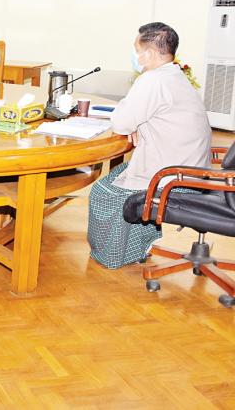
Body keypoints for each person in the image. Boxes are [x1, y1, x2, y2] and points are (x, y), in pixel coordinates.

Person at [87, 22, 212, 269]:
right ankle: (138, 246)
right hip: (192, 171)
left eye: (137, 50)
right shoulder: (175, 76)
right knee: (120, 174)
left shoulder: (153, 80)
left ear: (151, 53)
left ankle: (111, 256)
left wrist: (131, 122)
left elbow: (121, 122)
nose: (135, 56)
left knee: (103, 192)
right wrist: (135, 123)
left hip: (171, 177)